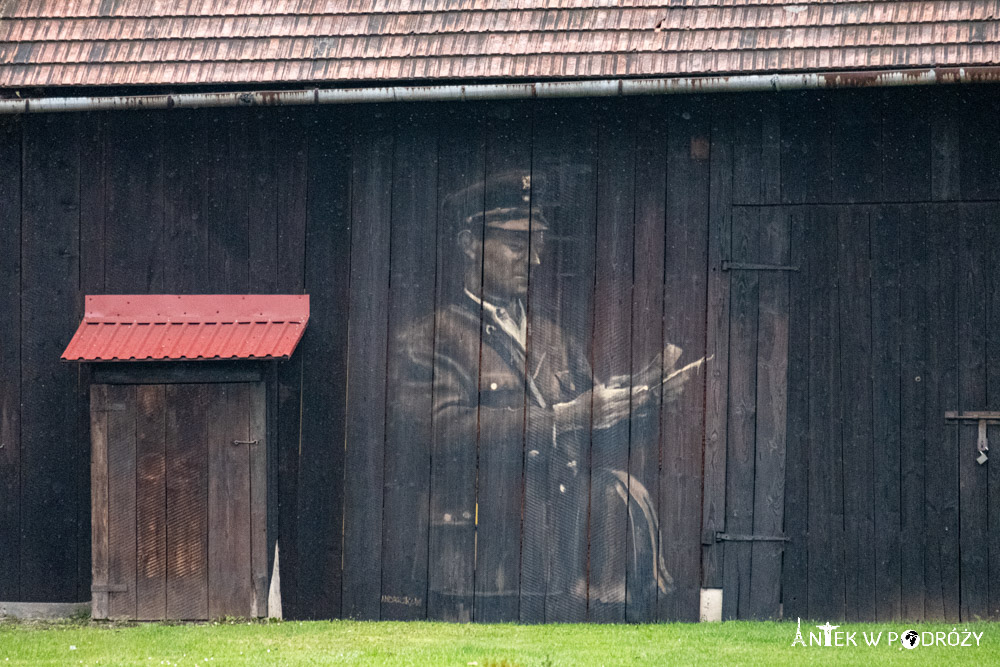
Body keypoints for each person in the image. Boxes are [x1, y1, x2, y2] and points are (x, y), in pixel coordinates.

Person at [393, 170, 685, 613]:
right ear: (469, 243)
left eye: (538, 245)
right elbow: (438, 432)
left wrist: (639, 403)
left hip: (555, 559)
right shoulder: (433, 337)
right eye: (516, 244)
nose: (533, 260)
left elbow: (591, 438)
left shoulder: (553, 338)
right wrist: (565, 417)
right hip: (477, 563)